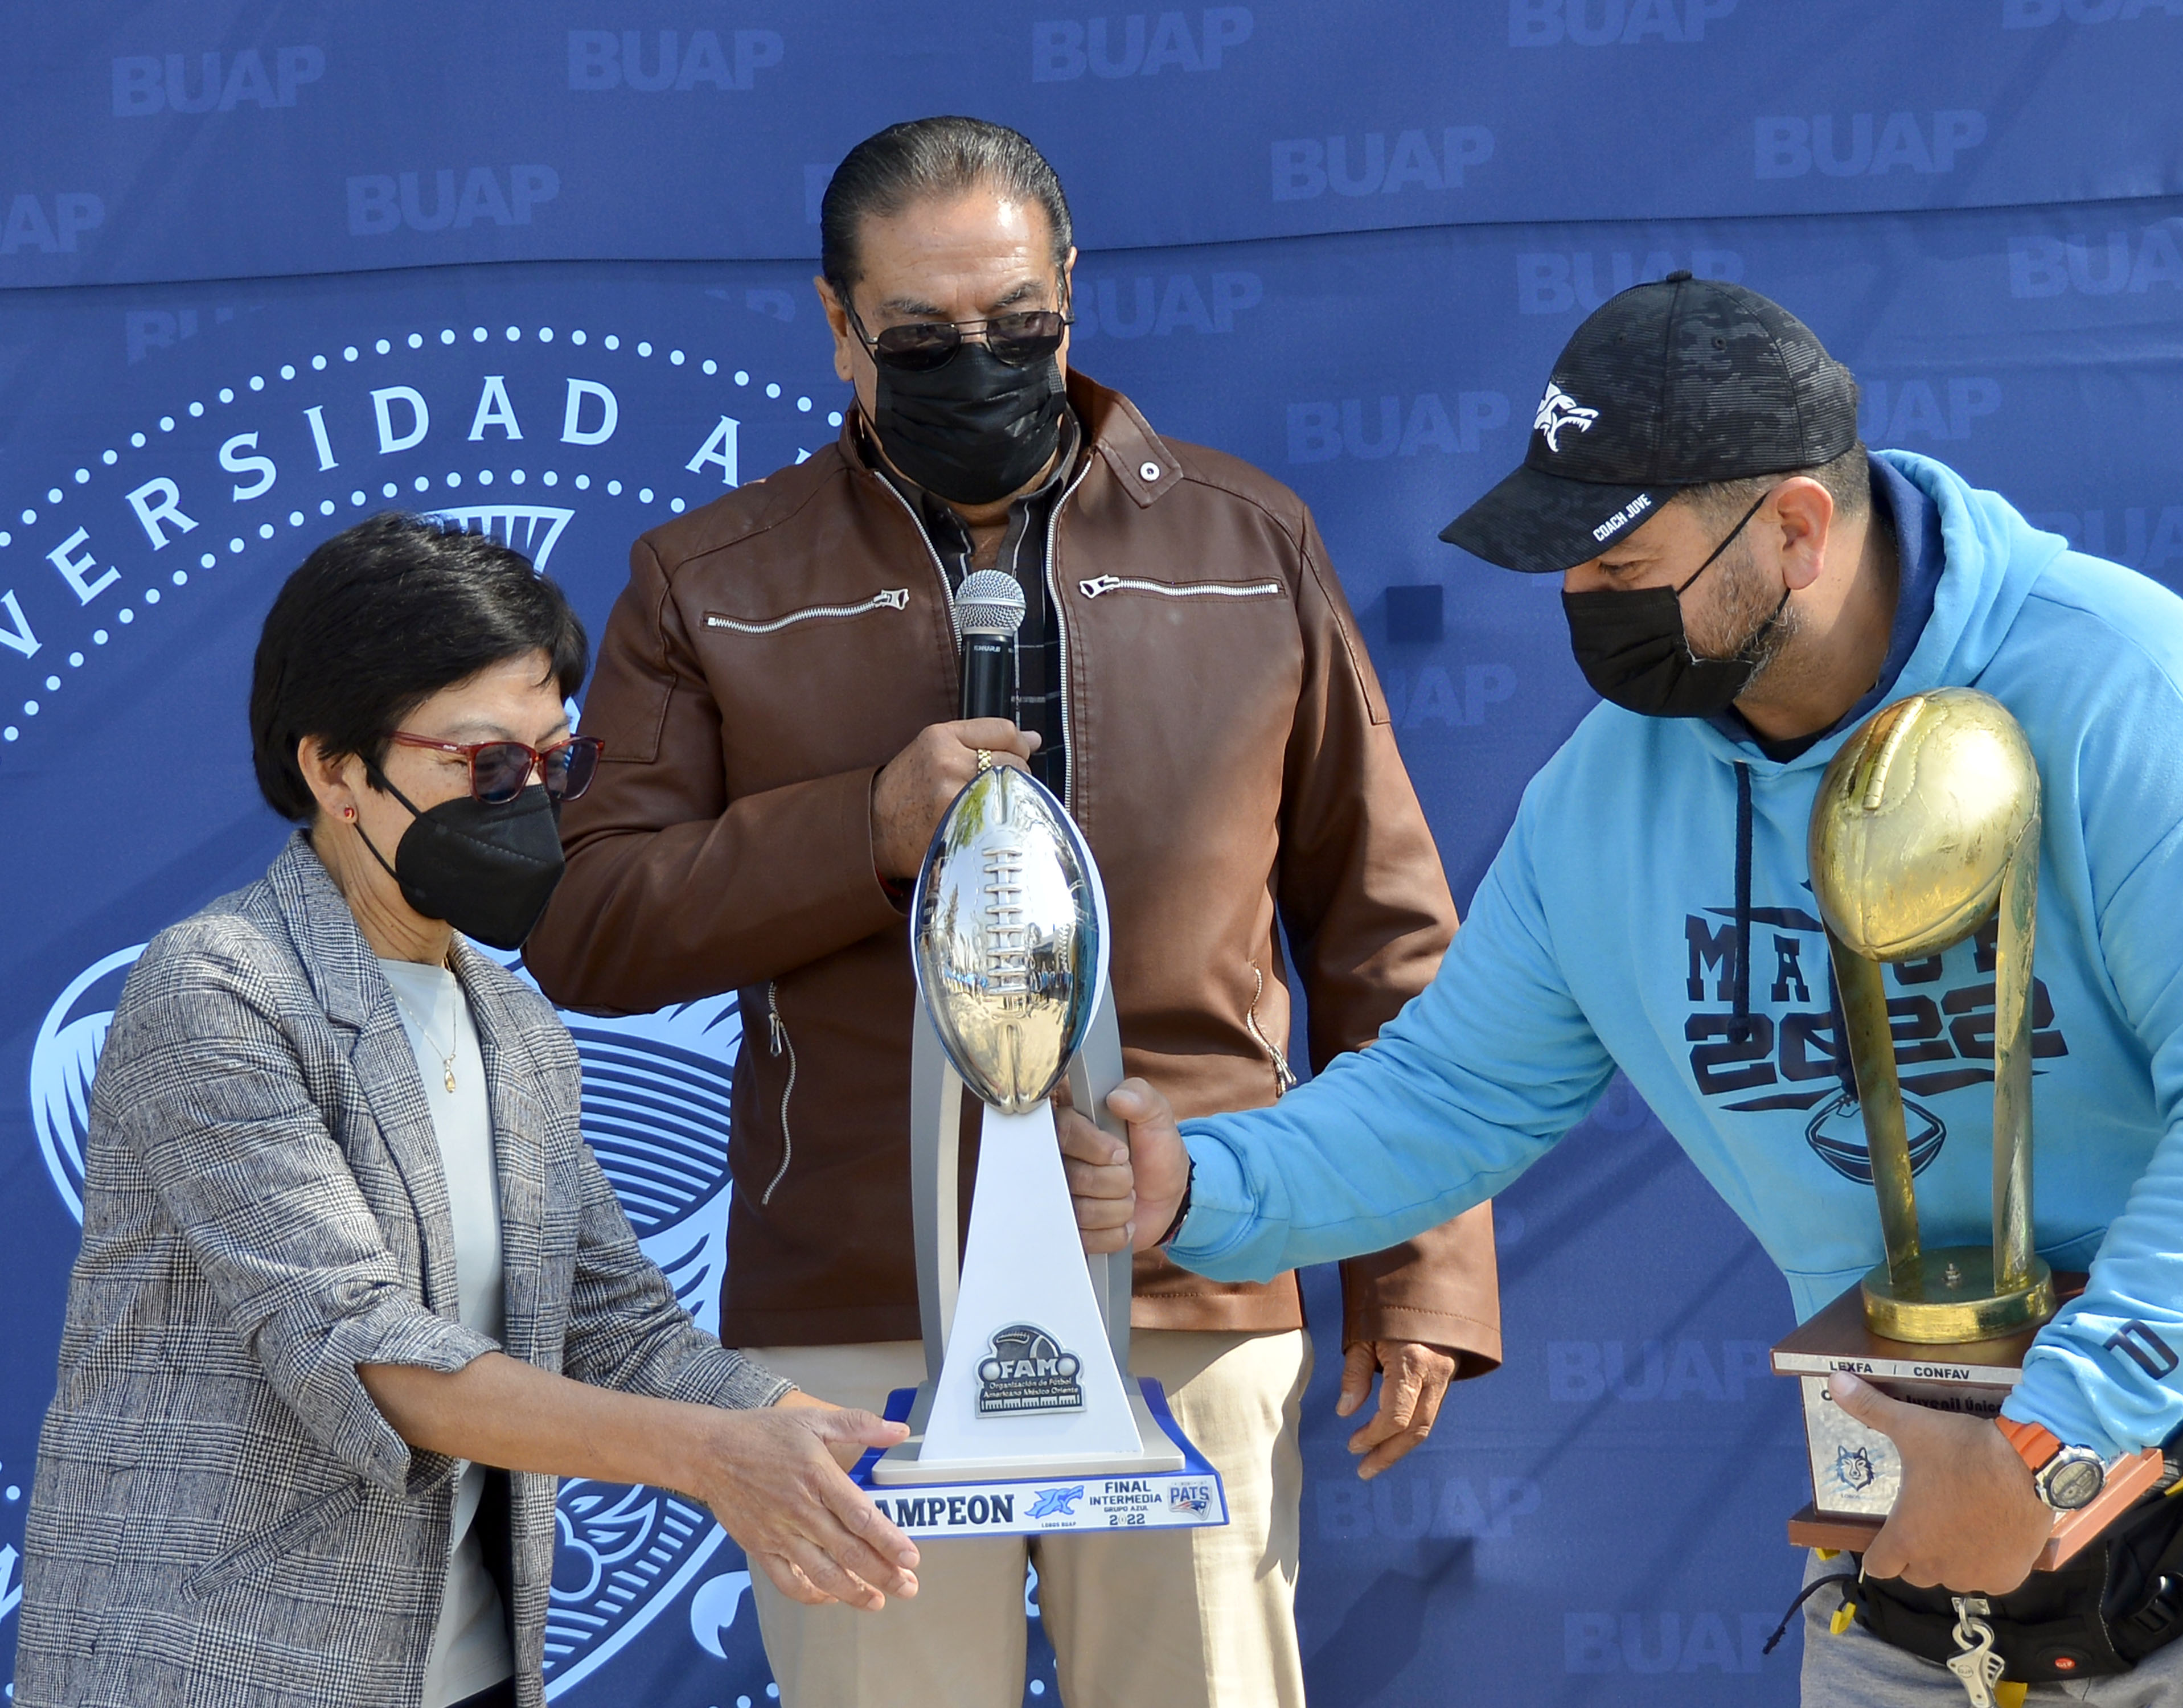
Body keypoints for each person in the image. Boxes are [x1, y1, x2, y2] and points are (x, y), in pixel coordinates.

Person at [1059, 276, 2183, 1705]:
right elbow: (1452, 1093)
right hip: (1925, 1444)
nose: (1578, 600)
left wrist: (2049, 1444)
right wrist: (1200, 1183)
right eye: (1562, 561)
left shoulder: (2144, 704)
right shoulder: (1601, 807)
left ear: (1797, 530)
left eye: (1619, 562)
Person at [520, 116, 1499, 1708]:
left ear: (1073, 294)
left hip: (1191, 1275)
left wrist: (1418, 1269)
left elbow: (1384, 940)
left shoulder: (1248, 550)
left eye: (1016, 328)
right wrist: (864, 830)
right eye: (919, 339)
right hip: (856, 1313)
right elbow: (590, 923)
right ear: (835, 327)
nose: (976, 363)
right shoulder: (711, 578)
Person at [14, 516, 920, 1708]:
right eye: (486, 766)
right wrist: (719, 1461)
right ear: (334, 771)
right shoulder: (219, 985)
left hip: (469, 1671)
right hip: (215, 1669)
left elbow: (618, 1328)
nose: (531, 802)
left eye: (555, 763)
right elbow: (365, 1353)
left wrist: (875, 1453)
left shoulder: (515, 1025)